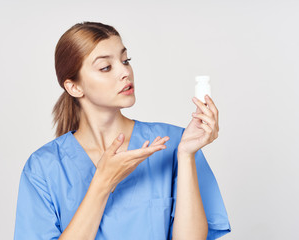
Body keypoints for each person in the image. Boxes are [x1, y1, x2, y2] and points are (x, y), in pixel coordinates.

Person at [14, 21, 231, 240]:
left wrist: (186, 155)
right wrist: (102, 183)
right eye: (106, 67)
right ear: (74, 87)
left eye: (125, 60)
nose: (125, 72)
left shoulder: (174, 143)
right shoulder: (43, 168)